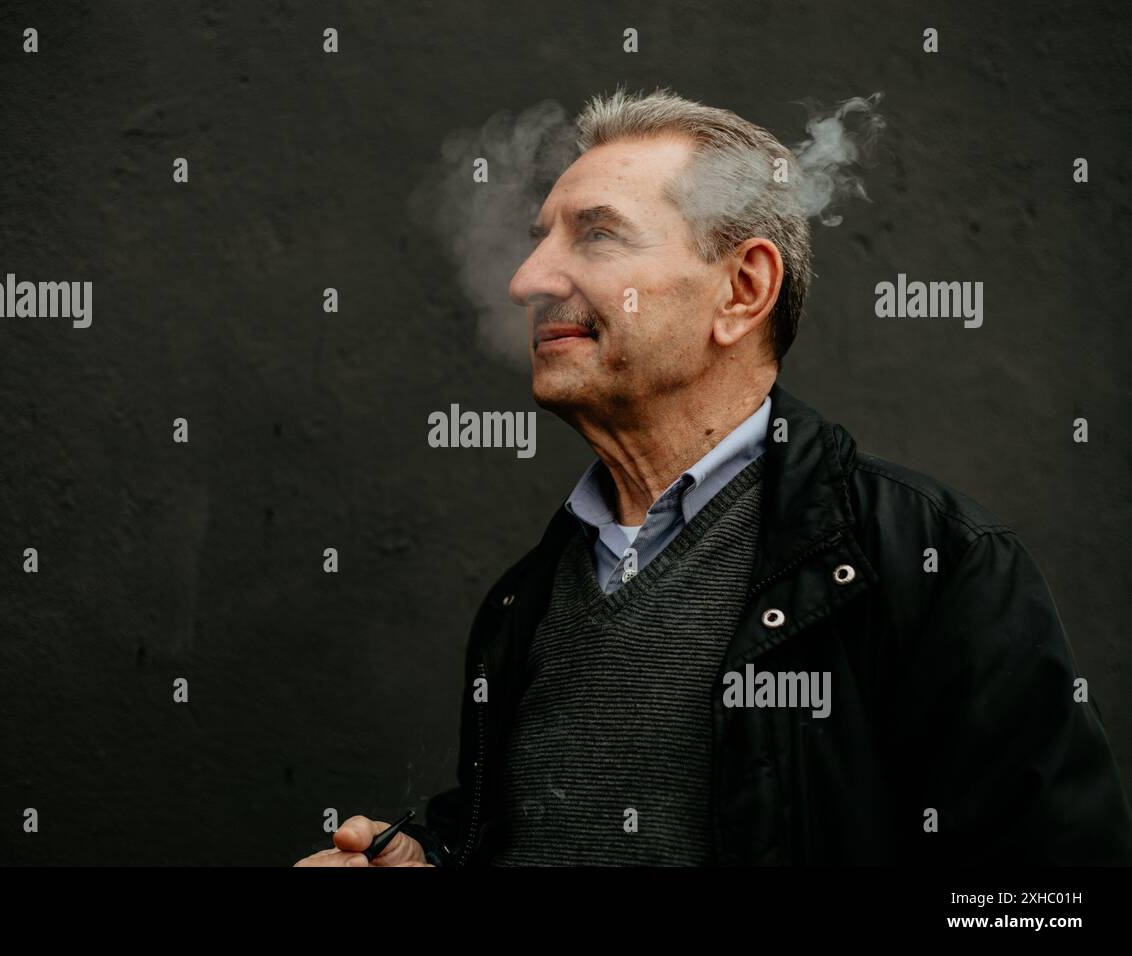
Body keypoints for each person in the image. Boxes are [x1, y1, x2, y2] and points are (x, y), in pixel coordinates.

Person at [295, 86, 1132, 867]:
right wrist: (434, 857)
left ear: (742, 288)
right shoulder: (525, 602)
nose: (528, 281)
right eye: (537, 240)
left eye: (596, 234)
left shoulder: (932, 564)